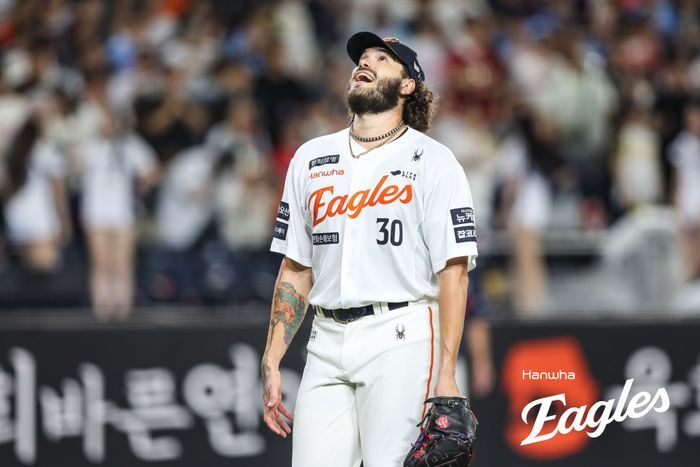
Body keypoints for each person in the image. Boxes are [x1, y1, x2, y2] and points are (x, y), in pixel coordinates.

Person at [261, 32, 479, 467]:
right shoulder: (310, 157)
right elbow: (296, 267)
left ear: (407, 85)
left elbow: (453, 273)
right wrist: (272, 357)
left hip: (401, 335)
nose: (366, 62)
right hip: (326, 340)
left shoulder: (434, 161)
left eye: (382, 59)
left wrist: (447, 374)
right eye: (362, 57)